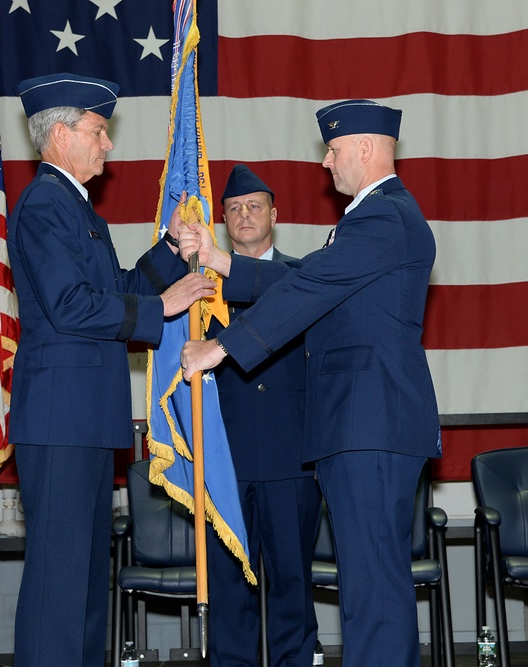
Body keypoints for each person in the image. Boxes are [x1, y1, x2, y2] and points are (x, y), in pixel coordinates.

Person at [180, 100, 441, 667]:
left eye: (335, 148)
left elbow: (310, 289)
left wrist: (220, 347)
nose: (327, 161)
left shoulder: (383, 215)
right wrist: (221, 263)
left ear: (366, 149)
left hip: (368, 423)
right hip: (362, 424)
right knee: (371, 586)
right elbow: (306, 277)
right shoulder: (377, 217)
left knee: (372, 591)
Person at [6, 72, 214, 667]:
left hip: (86, 422)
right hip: (62, 422)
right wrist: (161, 308)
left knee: (86, 586)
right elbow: (73, 306)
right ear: (63, 135)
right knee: (59, 588)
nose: (109, 145)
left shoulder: (72, 205)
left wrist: (171, 255)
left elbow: (113, 290)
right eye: (99, 131)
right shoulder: (47, 203)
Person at [206, 164, 321, 667]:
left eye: (254, 206)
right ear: (223, 221)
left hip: (289, 456)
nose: (244, 215)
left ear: (275, 214)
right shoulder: (201, 289)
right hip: (225, 457)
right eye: (233, 208)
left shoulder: (302, 277)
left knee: (292, 582)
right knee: (229, 588)